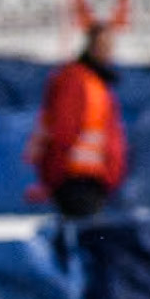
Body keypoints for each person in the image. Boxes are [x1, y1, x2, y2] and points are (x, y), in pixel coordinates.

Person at [28, 23, 127, 219]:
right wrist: (53, 175)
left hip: (93, 179)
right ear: (91, 45)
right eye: (103, 45)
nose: (108, 51)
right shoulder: (76, 80)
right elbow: (61, 130)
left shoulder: (96, 82)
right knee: (85, 237)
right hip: (75, 179)